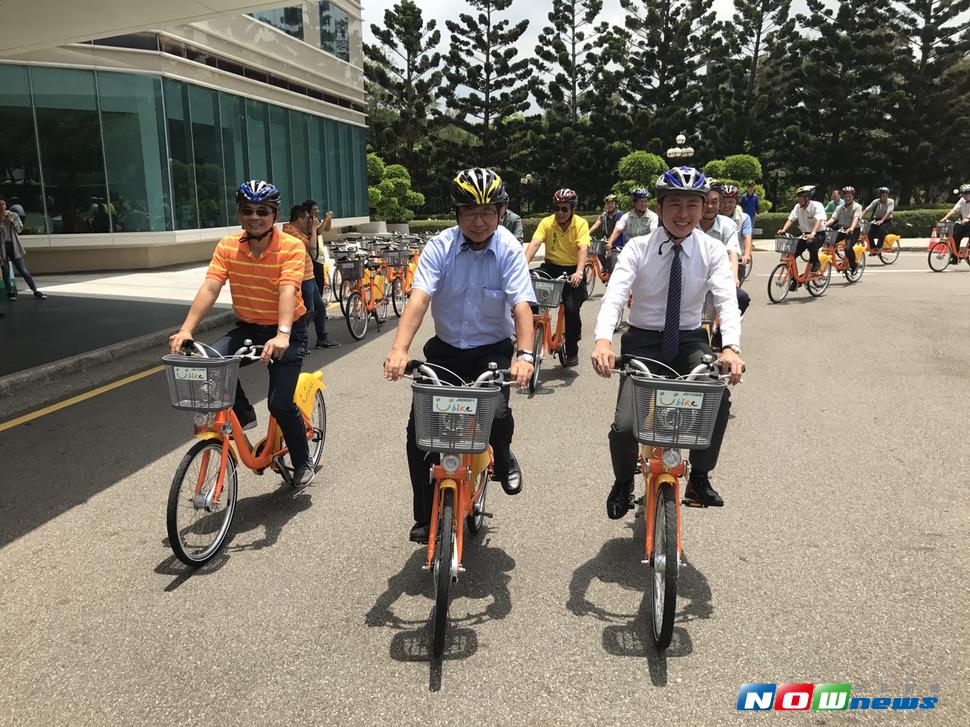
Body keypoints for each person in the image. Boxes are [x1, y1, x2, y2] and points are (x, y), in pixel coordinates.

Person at [383, 168, 536, 544]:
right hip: (446, 351)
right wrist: (399, 349)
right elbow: (419, 299)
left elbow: (521, 306)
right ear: (456, 214)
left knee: (497, 414)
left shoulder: (509, 249)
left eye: (488, 211)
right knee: (419, 432)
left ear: (502, 212)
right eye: (469, 212)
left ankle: (502, 452)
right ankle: (424, 516)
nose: (479, 221)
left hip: (492, 351)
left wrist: (526, 355)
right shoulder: (440, 246)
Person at [591, 167, 744, 515]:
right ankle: (623, 483)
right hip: (643, 341)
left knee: (717, 400)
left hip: (690, 340)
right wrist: (603, 341)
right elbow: (615, 295)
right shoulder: (638, 249)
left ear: (705, 207)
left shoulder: (712, 250)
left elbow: (725, 298)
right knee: (626, 426)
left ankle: (700, 477)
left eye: (693, 204)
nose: (684, 214)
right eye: (675, 204)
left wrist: (731, 347)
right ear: (659, 208)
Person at [169, 180, 316, 489]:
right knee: (210, 363)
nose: (254, 217)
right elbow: (211, 286)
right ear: (239, 213)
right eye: (247, 211)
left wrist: (283, 334)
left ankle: (303, 461)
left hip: (286, 330)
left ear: (274, 215)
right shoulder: (228, 246)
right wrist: (187, 329)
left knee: (279, 404)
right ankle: (244, 414)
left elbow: (289, 289)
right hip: (249, 328)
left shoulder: (291, 246)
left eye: (262, 211)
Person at [525, 189, 590, 367]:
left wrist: (579, 272)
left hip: (572, 271)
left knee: (570, 309)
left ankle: (572, 349)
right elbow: (535, 243)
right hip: (551, 267)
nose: (560, 213)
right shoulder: (547, 222)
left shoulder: (581, 224)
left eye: (564, 209)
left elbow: (583, 248)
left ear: (572, 209)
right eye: (557, 208)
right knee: (530, 286)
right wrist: (522, 266)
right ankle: (530, 333)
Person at [283, 205, 340, 349]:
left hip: (309, 275)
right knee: (308, 311)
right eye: (308, 218)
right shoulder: (290, 232)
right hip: (302, 277)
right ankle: (297, 342)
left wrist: (323, 222)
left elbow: (322, 231)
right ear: (300, 218)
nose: (309, 221)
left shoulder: (297, 231)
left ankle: (322, 338)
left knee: (319, 308)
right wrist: (313, 228)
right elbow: (312, 246)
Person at [699, 187, 750, 316]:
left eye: (714, 202)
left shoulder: (728, 225)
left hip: (719, 276)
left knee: (741, 298)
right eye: (705, 202)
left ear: (719, 204)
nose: (710, 206)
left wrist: (733, 277)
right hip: (693, 278)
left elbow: (732, 252)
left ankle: (720, 334)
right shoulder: (689, 223)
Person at [0, 195, 47, 300]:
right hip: (2, 247)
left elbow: (19, 229)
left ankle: (35, 290)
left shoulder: (13, 215)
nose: (1, 207)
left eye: (3, 204)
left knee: (23, 269)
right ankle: (10, 292)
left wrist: (11, 221)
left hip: (13, 246)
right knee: (6, 271)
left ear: (6, 205)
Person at [777, 185, 826, 274]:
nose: (798, 199)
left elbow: (818, 220)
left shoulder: (816, 206)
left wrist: (813, 233)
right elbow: (791, 219)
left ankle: (816, 262)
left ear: (807, 198)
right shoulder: (797, 207)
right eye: (798, 197)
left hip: (818, 234)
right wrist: (783, 230)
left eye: (800, 197)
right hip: (804, 235)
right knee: (791, 254)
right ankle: (795, 279)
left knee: (810, 243)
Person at [606, 188, 658, 260]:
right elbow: (617, 230)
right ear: (634, 203)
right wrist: (610, 242)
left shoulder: (653, 216)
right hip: (630, 250)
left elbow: (653, 232)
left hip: (646, 251)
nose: (644, 204)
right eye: (641, 201)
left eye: (645, 201)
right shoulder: (626, 216)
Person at [301, 198, 334, 312]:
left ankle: (317, 310)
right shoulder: (307, 222)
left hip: (319, 257)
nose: (317, 210)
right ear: (308, 211)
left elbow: (327, 228)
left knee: (319, 285)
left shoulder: (315, 220)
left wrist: (328, 219)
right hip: (313, 258)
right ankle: (316, 311)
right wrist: (325, 219)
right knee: (316, 287)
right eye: (315, 209)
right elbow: (318, 231)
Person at [718, 185, 753, 278]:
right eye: (723, 202)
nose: (727, 205)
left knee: (735, 290)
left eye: (730, 202)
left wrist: (746, 254)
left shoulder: (744, 218)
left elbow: (747, 236)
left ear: (736, 203)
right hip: (715, 262)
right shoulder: (712, 216)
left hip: (736, 261)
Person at [825, 186, 863, 272]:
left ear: (853, 196)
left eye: (850, 196)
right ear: (843, 197)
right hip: (842, 230)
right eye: (846, 196)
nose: (847, 198)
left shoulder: (857, 206)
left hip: (853, 231)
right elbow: (833, 218)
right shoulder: (839, 207)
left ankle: (853, 265)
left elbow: (855, 218)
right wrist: (825, 225)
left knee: (847, 248)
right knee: (829, 242)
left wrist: (851, 228)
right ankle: (835, 261)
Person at [588, 194, 624, 273]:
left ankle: (611, 273)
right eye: (608, 204)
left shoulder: (619, 215)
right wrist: (587, 233)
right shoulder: (604, 215)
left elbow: (617, 229)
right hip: (606, 239)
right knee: (599, 252)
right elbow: (596, 224)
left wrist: (611, 240)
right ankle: (605, 268)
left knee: (610, 257)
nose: (610, 205)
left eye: (612, 203)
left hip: (617, 240)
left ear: (616, 204)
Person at [940, 184, 970, 262]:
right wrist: (945, 218)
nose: (964, 196)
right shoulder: (962, 200)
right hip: (965, 222)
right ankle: (955, 258)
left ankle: (967, 254)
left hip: (967, 221)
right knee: (954, 236)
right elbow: (954, 210)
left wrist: (967, 218)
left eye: (966, 194)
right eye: (963, 194)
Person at [862, 187, 894, 254]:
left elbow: (889, 213)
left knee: (881, 231)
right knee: (869, 234)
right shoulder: (876, 202)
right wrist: (859, 217)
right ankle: (874, 249)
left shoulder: (890, 201)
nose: (884, 197)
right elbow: (867, 210)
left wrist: (882, 221)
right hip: (876, 219)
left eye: (886, 195)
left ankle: (879, 248)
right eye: (882, 196)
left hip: (886, 220)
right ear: (880, 196)